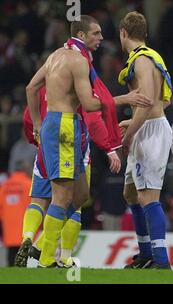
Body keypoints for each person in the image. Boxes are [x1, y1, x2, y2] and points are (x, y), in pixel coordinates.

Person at [15, 15, 152, 268]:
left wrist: (36, 122)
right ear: (82, 35)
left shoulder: (55, 56)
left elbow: (30, 88)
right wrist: (124, 99)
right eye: (96, 34)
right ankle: (47, 260)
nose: (101, 38)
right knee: (63, 196)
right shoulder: (79, 61)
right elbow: (89, 105)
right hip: (66, 126)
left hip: (53, 125)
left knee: (81, 195)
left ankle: (36, 245)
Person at [118, 11, 173, 269]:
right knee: (130, 193)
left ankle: (161, 260)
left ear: (123, 33)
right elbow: (154, 102)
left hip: (150, 130)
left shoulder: (141, 60)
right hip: (145, 126)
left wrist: (129, 135)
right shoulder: (150, 57)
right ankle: (146, 252)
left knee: (148, 196)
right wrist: (132, 123)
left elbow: (149, 101)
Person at [0, 161, 32, 266]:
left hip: (8, 229)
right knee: (23, 259)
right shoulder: (28, 184)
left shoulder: (4, 186)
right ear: (25, 170)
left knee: (10, 259)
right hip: (25, 229)